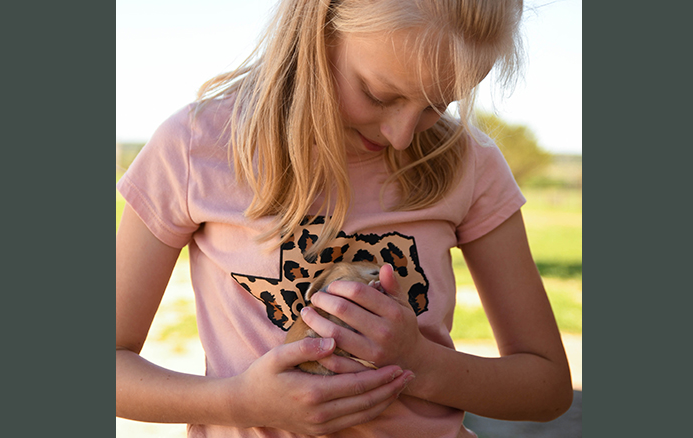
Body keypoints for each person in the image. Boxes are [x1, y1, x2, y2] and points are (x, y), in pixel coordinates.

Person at [116, 0, 573, 436]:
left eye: (440, 104)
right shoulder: (196, 146)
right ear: (320, 28)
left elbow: (547, 389)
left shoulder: (470, 164)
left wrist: (420, 362)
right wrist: (240, 403)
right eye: (379, 95)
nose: (401, 136)